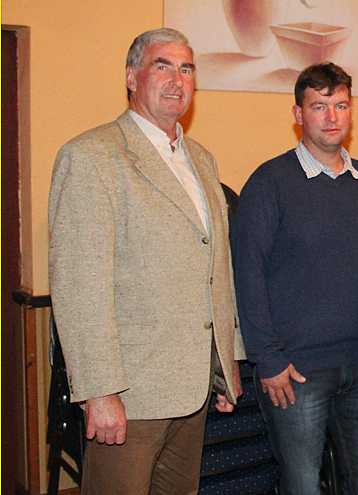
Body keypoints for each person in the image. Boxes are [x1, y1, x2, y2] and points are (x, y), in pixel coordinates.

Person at [48, 27, 243, 494]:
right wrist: (99, 391)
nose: (177, 79)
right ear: (132, 77)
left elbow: (216, 268)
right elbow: (80, 285)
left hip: (192, 388)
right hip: (129, 395)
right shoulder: (92, 156)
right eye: (162, 65)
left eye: (186, 68)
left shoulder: (202, 160)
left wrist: (225, 362)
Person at [234, 63, 358, 495]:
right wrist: (267, 359)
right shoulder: (269, 182)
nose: (332, 116)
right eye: (319, 106)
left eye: (340, 105)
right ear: (298, 114)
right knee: (302, 485)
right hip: (295, 372)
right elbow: (247, 273)